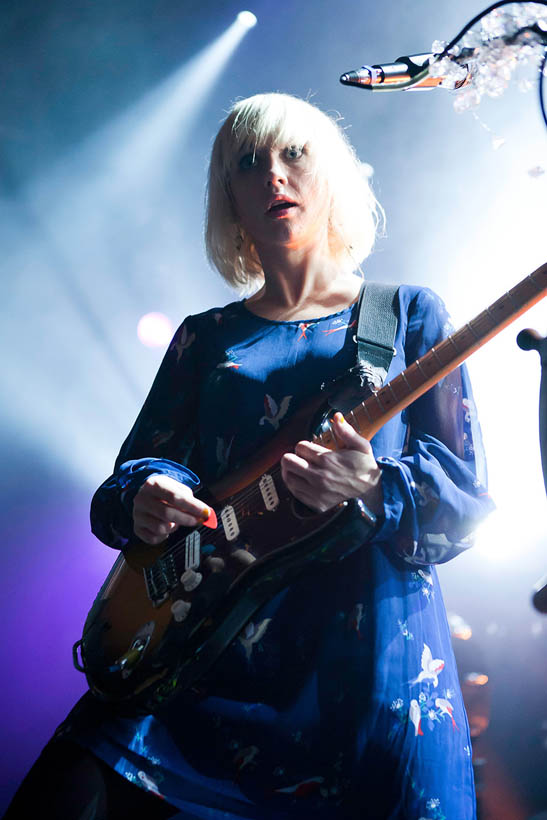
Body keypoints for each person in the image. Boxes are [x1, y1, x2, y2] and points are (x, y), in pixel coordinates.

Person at [5, 92, 494, 820]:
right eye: (247, 163)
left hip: (359, 677)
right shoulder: (204, 339)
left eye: (293, 154)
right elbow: (125, 487)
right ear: (229, 201)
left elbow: (465, 501)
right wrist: (147, 494)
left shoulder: (409, 316)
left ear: (332, 178)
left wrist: (372, 486)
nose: (273, 174)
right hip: (199, 662)